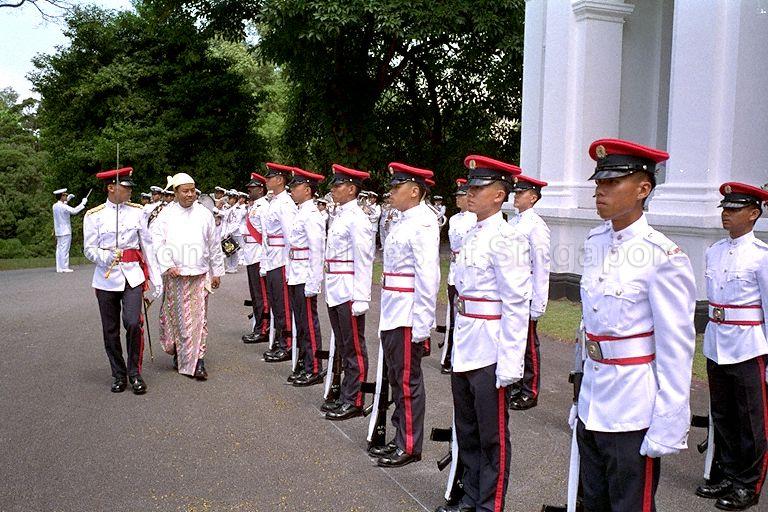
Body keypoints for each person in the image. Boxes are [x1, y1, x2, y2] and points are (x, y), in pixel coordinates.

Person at [572, 138, 696, 512]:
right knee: (592, 501)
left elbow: (676, 347)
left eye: (612, 183)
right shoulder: (595, 241)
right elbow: (588, 326)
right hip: (594, 398)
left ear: (643, 189)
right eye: (599, 183)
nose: (600, 191)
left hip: (633, 407)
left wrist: (669, 421)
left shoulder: (663, 256)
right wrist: (579, 396)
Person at [434, 155, 531, 512]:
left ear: (499, 195)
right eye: (469, 187)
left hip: (491, 346)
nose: (469, 193)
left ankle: (490, 504)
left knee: (492, 437)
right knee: (468, 430)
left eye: (478, 188)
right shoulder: (472, 234)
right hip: (466, 341)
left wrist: (510, 363)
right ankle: (472, 496)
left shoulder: (508, 238)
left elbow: (516, 304)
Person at [695, 182, 768, 511]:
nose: (726, 214)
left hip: (748, 345)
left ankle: (748, 484)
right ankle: (725, 473)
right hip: (717, 342)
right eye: (725, 208)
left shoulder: (761, 257)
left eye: (734, 209)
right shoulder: (714, 250)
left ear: (754, 213)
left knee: (752, 420)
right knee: (722, 415)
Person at [371, 162, 440, 468]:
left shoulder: (423, 223)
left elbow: (428, 278)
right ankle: (400, 436)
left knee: (407, 380)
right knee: (397, 378)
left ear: (414, 191)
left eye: (396, 188)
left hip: (408, 314)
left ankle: (409, 444)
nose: (391, 193)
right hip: (393, 309)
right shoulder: (402, 220)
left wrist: (424, 324)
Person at [83, 167, 162, 394]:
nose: (129, 191)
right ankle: (118, 374)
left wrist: (155, 279)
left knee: (133, 323)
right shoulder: (94, 215)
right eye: (125, 187)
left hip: (132, 275)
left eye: (129, 188)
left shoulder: (138, 212)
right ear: (111, 187)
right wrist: (106, 256)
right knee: (110, 329)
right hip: (106, 277)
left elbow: (147, 245)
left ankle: (135, 372)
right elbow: (88, 249)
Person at [151, 172, 225, 380]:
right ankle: (180, 353)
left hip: (200, 274)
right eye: (185, 191)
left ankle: (198, 360)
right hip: (176, 275)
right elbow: (157, 242)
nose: (190, 194)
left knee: (199, 318)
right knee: (179, 319)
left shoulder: (204, 213)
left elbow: (214, 244)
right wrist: (167, 264)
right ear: (175, 192)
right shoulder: (165, 215)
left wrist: (217, 271)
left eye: (193, 190)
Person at [323, 163, 375, 421]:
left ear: (352, 189)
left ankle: (354, 399)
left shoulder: (357, 219)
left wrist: (361, 296)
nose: (333, 189)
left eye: (338, 185)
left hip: (348, 290)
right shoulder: (340, 215)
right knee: (343, 345)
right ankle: (345, 393)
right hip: (335, 287)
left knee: (354, 347)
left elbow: (364, 259)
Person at [508, 175, 551, 411]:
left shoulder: (536, 226)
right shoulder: (514, 223)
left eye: (520, 193)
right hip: (513, 293)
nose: (516, 196)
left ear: (533, 197)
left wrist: (539, 302)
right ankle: (516, 384)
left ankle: (530, 391)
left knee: (528, 346)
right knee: (514, 341)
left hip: (527, 294)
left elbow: (542, 265)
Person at [285, 167, 327, 386]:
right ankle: (304, 362)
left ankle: (315, 367)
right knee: (300, 323)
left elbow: (317, 250)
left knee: (309, 323)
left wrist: (313, 282)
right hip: (295, 273)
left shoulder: (312, 215)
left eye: (295, 186)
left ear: (308, 190)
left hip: (305, 275)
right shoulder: (300, 211)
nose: (291, 189)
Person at [261, 163, 299, 363]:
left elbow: (289, 237)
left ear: (280, 180)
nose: (267, 180)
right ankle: (280, 340)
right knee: (276, 304)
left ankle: (288, 344)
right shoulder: (274, 202)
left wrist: (288, 264)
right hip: (272, 259)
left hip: (282, 260)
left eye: (270, 177)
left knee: (284, 306)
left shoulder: (285, 204)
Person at [441, 178, 476, 374]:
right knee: (451, 318)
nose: (458, 199)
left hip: (467, 270)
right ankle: (449, 355)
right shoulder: (454, 219)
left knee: (464, 316)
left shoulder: (475, 219)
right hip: (454, 269)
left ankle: (458, 357)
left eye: (461, 196)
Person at [241, 173, 271, 345]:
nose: (249, 191)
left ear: (261, 189)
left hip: (259, 253)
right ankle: (258, 325)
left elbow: (266, 234)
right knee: (255, 294)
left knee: (262, 296)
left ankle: (263, 328)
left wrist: (265, 260)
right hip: (250, 253)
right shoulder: (254, 206)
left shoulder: (264, 207)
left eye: (252, 188)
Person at [52, 187, 88, 273]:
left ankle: (59, 267)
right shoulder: (63, 206)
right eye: (65, 195)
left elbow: (63, 207)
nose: (66, 196)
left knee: (59, 249)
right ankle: (64, 267)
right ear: (61, 196)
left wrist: (68, 200)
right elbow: (74, 211)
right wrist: (83, 203)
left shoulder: (55, 206)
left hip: (58, 231)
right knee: (65, 249)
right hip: (65, 231)